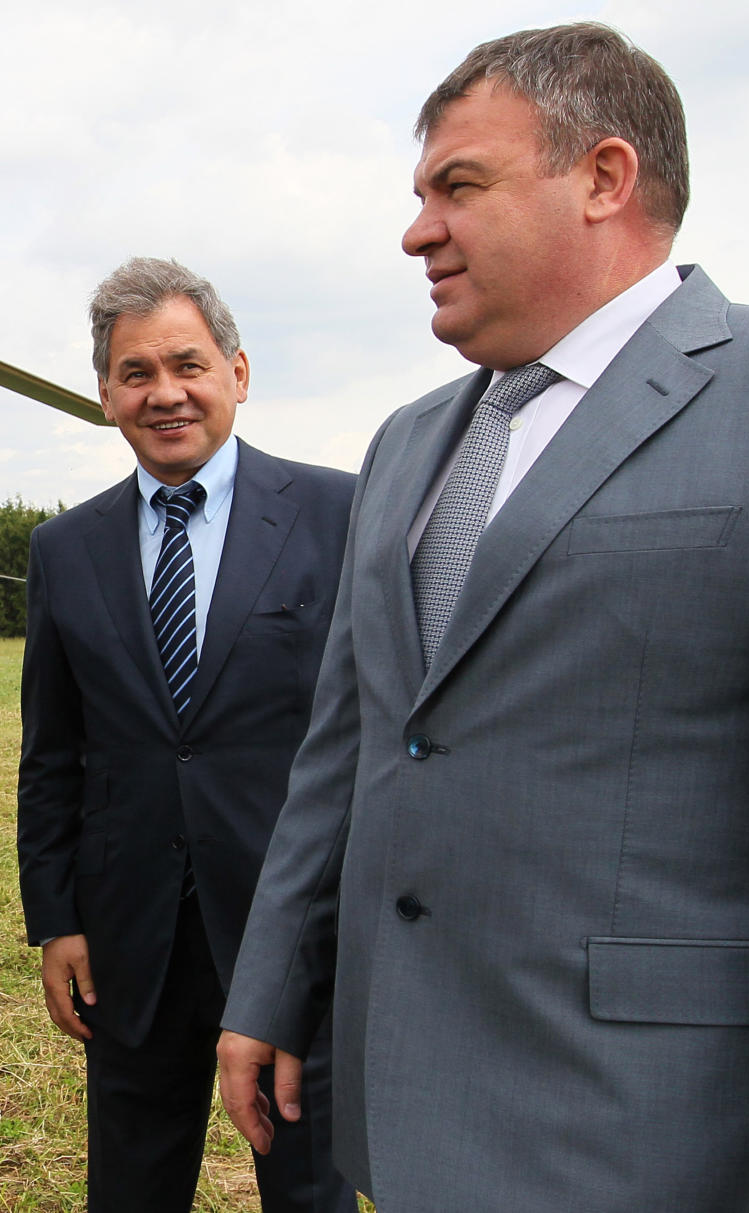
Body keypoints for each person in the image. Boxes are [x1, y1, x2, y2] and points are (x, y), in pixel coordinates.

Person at [218, 23, 749, 1213]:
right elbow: (348, 747)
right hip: (405, 1117)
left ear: (604, 178)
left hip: (667, 1140)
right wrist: (272, 987)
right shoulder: (408, 443)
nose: (417, 230)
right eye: (418, 195)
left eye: (459, 185)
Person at [17, 257, 358, 1213]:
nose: (164, 393)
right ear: (106, 394)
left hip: (290, 927)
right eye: (136, 373)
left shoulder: (339, 512)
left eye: (188, 364)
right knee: (131, 1183)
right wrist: (56, 917)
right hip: (133, 937)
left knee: (307, 1186)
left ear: (237, 373)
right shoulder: (64, 550)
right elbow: (50, 754)